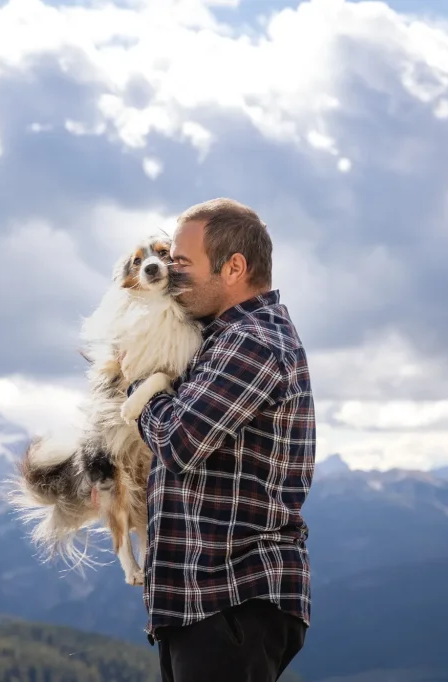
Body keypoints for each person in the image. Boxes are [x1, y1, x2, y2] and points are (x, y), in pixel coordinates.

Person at [126, 197, 315, 682]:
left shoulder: (251, 340)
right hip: (203, 600)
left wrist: (135, 390)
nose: (170, 272)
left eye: (183, 263)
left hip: (231, 595)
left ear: (234, 267)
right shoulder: (217, 339)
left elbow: (181, 440)